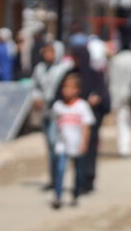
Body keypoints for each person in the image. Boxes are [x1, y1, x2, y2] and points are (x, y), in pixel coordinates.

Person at [32, 41, 75, 189]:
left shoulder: (65, 68)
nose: (48, 55)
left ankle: (60, 179)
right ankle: (53, 178)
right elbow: (35, 87)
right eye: (46, 51)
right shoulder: (40, 69)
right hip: (45, 112)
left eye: (51, 51)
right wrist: (36, 98)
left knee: (57, 145)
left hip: (61, 113)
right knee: (50, 146)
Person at [50, 73, 95, 209]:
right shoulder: (57, 106)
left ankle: (75, 194)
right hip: (62, 144)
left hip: (77, 144)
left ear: (77, 90)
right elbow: (54, 125)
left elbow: (87, 126)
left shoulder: (82, 106)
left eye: (71, 88)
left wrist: (84, 143)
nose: (67, 91)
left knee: (78, 172)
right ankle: (58, 196)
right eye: (65, 87)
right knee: (60, 170)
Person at [72, 44, 111, 194]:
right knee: (76, 152)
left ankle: (88, 180)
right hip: (74, 122)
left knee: (90, 151)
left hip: (93, 121)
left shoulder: (95, 75)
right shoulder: (71, 74)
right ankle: (78, 181)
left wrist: (97, 98)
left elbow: (104, 95)